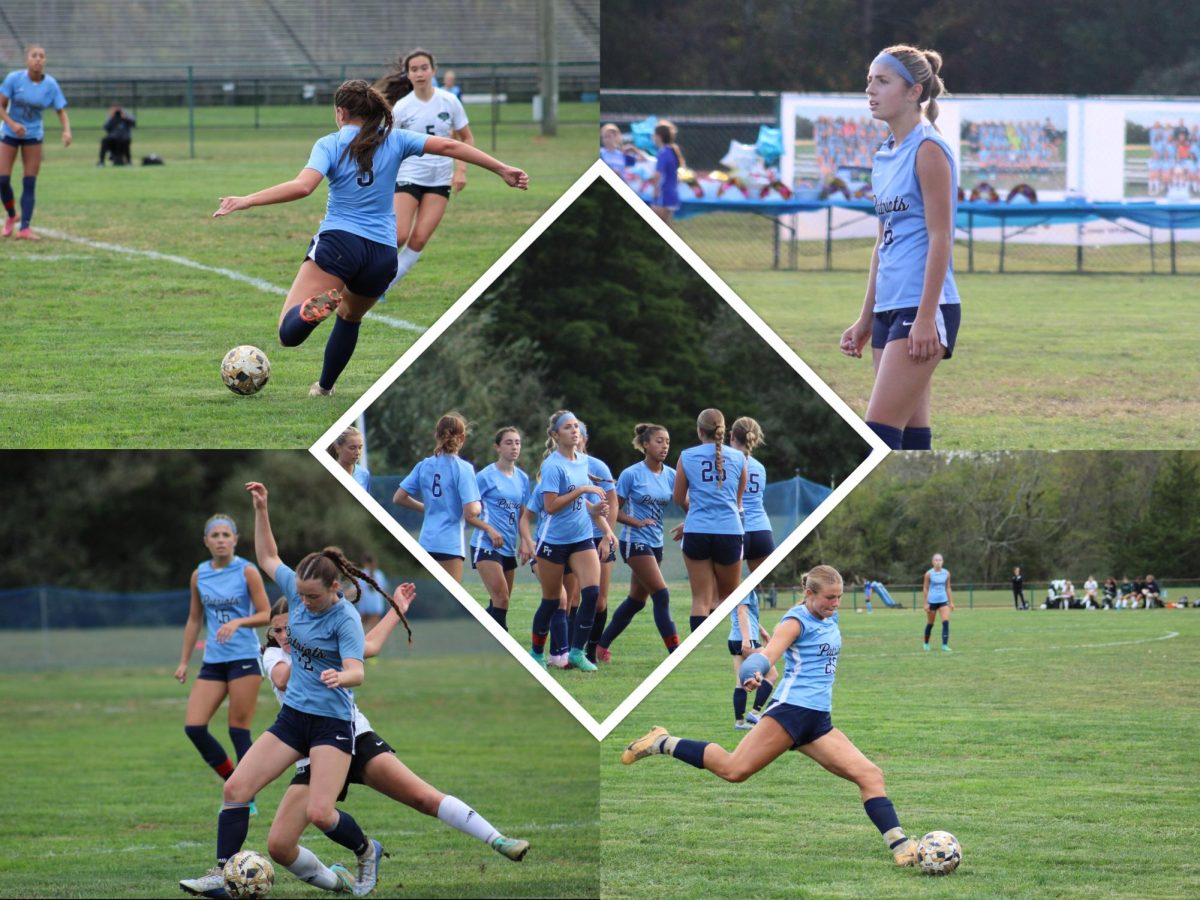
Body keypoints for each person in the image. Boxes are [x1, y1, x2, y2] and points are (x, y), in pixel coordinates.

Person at [212, 79, 527, 397]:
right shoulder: (396, 139)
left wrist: (246, 200)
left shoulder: (330, 143)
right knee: (349, 318)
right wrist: (501, 169)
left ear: (341, 112)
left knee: (287, 333)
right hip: (382, 253)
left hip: (339, 243)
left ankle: (310, 309)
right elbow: (449, 146)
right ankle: (324, 388)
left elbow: (303, 186)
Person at [621, 566, 921, 868]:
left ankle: (902, 847)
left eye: (839, 597)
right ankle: (661, 741)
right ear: (809, 593)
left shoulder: (830, 616)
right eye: (830, 597)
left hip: (818, 721)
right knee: (733, 769)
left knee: (870, 775)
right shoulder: (794, 621)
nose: (835, 603)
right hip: (790, 712)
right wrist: (752, 674)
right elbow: (767, 656)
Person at [180, 482, 389, 898]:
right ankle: (222, 875)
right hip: (294, 717)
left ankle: (367, 851)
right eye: (301, 596)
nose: (305, 603)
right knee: (235, 789)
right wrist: (262, 508)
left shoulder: (345, 618)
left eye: (313, 597)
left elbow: (357, 671)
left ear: (334, 590)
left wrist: (340, 677)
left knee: (321, 812)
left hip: (332, 723)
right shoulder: (297, 588)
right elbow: (268, 556)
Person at [260, 593, 529, 881]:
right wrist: (312, 647)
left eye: (290, 627)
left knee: (422, 797)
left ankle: (498, 839)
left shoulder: (326, 642)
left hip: (353, 736)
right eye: (277, 630)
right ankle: (341, 883)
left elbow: (372, 645)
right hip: (312, 753)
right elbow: (281, 678)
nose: (284, 635)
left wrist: (396, 609)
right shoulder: (273, 654)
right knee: (279, 845)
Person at [839, 45, 959, 450]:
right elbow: (882, 243)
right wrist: (865, 317)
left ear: (914, 91)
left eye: (882, 81)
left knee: (879, 439)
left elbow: (941, 237)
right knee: (909, 437)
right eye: (869, 80)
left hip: (922, 307)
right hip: (891, 308)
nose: (870, 89)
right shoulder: (884, 155)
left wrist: (927, 317)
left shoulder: (928, 149)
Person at [175, 514, 271, 812]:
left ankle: (245, 798)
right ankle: (234, 781)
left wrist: (240, 621)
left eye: (225, 535)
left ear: (235, 539)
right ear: (206, 541)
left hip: (243, 658)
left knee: (238, 730)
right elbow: (194, 619)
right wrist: (183, 662)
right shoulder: (199, 574)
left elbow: (267, 613)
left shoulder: (247, 571)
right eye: (214, 535)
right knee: (194, 728)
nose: (220, 540)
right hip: (214, 661)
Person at [382, 49, 473, 297]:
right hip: (408, 176)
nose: (420, 73)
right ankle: (369, 278)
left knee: (419, 240)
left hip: (440, 179)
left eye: (424, 68)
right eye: (414, 69)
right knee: (399, 235)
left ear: (433, 70)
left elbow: (466, 138)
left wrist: (461, 171)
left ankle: (381, 288)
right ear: (408, 74)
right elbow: (387, 145)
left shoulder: (449, 102)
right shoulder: (402, 107)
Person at [531, 410, 609, 673]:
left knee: (592, 593)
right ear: (555, 435)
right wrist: (584, 490)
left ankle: (576, 652)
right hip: (553, 541)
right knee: (552, 601)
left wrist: (593, 510)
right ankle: (536, 653)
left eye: (576, 426)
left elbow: (577, 500)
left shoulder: (583, 461)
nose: (574, 431)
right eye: (568, 427)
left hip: (581, 537)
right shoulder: (552, 466)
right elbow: (551, 506)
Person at [597, 423, 681, 662]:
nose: (664, 446)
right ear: (645, 444)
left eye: (667, 441)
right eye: (659, 441)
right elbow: (614, 510)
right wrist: (635, 522)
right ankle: (676, 651)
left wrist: (689, 523)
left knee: (636, 601)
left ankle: (601, 645)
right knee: (662, 595)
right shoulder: (631, 474)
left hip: (656, 543)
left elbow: (689, 502)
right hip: (634, 542)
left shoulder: (672, 475)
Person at [674, 409, 747, 633]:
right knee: (730, 599)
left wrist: (694, 514)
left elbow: (678, 497)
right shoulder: (738, 457)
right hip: (729, 531)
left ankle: (698, 647)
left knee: (700, 600)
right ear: (724, 431)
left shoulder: (686, 456)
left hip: (697, 532)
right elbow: (737, 502)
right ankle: (735, 644)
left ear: (699, 431)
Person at [393, 413, 484, 583]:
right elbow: (471, 510)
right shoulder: (463, 468)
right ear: (462, 437)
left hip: (426, 541)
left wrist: (427, 508)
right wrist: (479, 505)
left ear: (437, 436)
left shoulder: (424, 464)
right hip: (450, 545)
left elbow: (399, 497)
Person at [0, 46, 71, 240]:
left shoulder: (51, 84)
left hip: (33, 135)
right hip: (9, 133)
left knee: (29, 181)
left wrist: (66, 131)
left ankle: (25, 228)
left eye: (41, 56)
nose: (38, 59)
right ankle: (12, 215)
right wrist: (13, 124)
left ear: (45, 61)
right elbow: (1, 106)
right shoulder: (14, 79)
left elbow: (61, 111)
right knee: (2, 180)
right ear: (27, 60)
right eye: (34, 56)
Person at [471, 426, 531, 631]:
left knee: (500, 603)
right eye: (508, 442)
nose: (514, 447)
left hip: (507, 548)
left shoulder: (522, 478)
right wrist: (489, 529)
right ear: (497, 447)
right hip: (486, 545)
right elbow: (467, 513)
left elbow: (523, 513)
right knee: (502, 598)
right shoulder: (485, 476)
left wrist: (525, 540)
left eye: (517, 442)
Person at [576, 422, 618, 663]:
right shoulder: (559, 466)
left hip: (597, 535)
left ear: (585, 439)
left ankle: (592, 649)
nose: (575, 438)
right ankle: (569, 649)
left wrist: (606, 536)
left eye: (579, 434)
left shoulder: (598, 467)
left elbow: (613, 504)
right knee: (572, 599)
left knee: (600, 601)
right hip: (572, 538)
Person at [728, 586, 776, 730]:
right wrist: (747, 639)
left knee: (740, 681)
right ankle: (755, 712)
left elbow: (749, 614)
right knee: (772, 674)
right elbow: (741, 612)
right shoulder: (745, 588)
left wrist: (762, 631)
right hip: (746, 640)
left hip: (733, 639)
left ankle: (740, 722)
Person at [650, 120, 684, 222]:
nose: (653, 138)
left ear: (659, 137)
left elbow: (658, 175)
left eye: (654, 135)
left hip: (663, 195)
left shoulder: (663, 153)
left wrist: (655, 190)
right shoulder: (672, 151)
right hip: (672, 193)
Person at [923, 553, 954, 652]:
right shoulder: (928, 574)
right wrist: (926, 603)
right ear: (933, 562)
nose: (938, 562)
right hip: (932, 601)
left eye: (940, 560)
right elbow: (925, 588)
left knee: (945, 622)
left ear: (942, 561)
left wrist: (951, 602)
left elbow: (948, 587)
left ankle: (944, 645)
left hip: (943, 601)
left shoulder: (946, 573)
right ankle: (926, 643)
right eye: (936, 560)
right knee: (930, 623)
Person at [355, 551, 389, 632]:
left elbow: (356, 589)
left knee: (361, 628)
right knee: (373, 630)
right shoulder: (379, 574)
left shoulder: (361, 573)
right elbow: (384, 589)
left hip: (365, 604)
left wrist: (344, 594)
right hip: (376, 604)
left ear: (364, 562)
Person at [327, 425, 369, 490]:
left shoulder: (364, 474)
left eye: (360, 447)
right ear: (338, 448)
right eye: (352, 448)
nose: (358, 452)